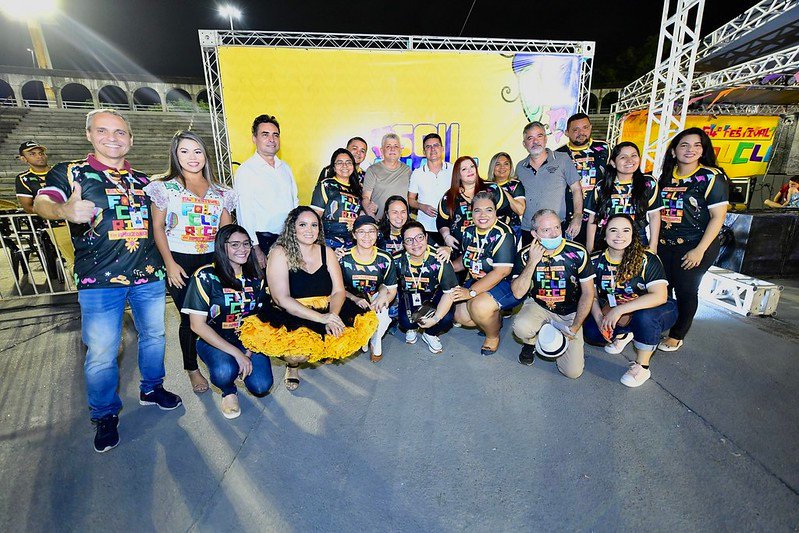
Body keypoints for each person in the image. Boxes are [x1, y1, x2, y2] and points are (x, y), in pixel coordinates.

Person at [34, 109, 181, 453]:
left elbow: (160, 220)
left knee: (154, 336)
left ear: (131, 139)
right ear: (89, 134)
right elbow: (43, 202)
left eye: (120, 132)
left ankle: (152, 388)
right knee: (102, 351)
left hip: (148, 275)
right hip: (99, 280)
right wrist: (63, 211)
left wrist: (171, 221)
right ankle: (104, 414)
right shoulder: (70, 172)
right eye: (103, 131)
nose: (112, 138)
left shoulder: (146, 182)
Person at [238, 207, 378, 390]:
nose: (309, 230)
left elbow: (338, 291)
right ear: (292, 228)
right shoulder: (279, 252)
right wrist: (322, 318)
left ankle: (321, 348)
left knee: (342, 335)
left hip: (326, 306)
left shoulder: (327, 252)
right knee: (297, 354)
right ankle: (293, 365)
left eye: (314, 225)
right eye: (303, 225)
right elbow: (281, 299)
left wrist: (333, 316)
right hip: (292, 311)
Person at [144, 130, 236, 394]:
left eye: (197, 151)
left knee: (217, 313)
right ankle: (192, 368)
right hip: (180, 261)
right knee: (189, 318)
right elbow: (158, 228)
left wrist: (228, 266)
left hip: (212, 261)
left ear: (206, 155)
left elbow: (226, 233)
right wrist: (169, 264)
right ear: (175, 155)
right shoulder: (164, 187)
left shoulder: (222, 192)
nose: (192, 157)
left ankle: (224, 359)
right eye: (184, 151)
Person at [182, 225, 273, 418]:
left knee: (261, 385)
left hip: (248, 340)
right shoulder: (205, 276)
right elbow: (197, 325)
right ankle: (228, 391)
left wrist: (248, 352)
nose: (243, 249)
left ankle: (239, 367)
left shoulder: (256, 277)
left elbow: (261, 319)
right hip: (214, 340)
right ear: (222, 247)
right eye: (235, 244)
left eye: (246, 244)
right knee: (224, 372)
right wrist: (238, 355)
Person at [657, 127, 729, 352]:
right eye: (684, 145)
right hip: (665, 244)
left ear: (703, 150)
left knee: (686, 290)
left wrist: (699, 250)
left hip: (695, 245)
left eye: (697, 145)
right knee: (661, 288)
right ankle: (660, 325)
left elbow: (718, 218)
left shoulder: (711, 177)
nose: (690, 150)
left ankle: (677, 334)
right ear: (673, 151)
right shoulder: (665, 176)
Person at [583, 215, 677, 387]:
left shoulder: (647, 258)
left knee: (645, 317)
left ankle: (642, 366)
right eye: (613, 230)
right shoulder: (594, 260)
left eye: (626, 230)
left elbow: (659, 296)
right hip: (616, 307)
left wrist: (619, 310)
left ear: (633, 235)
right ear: (604, 235)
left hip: (654, 309)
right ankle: (625, 333)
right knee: (592, 331)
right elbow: (592, 296)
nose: (620, 235)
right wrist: (599, 319)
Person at [511, 209, 595, 378]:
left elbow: (588, 294)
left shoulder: (578, 252)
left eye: (557, 227)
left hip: (570, 312)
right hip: (539, 306)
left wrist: (575, 326)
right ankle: (531, 342)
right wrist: (532, 262)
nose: (554, 234)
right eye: (546, 230)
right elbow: (518, 293)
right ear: (534, 234)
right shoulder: (525, 255)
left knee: (572, 372)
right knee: (521, 327)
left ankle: (555, 338)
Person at [451, 192, 520, 355]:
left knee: (478, 307)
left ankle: (492, 336)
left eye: (488, 210)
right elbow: (465, 260)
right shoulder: (468, 231)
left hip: (506, 283)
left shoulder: (503, 233)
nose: (483, 215)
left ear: (495, 212)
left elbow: (502, 272)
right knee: (460, 316)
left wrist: (471, 292)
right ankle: (495, 318)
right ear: (471, 212)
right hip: (479, 279)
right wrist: (444, 267)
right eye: (477, 210)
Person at [234, 114, 299, 266]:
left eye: (275, 135)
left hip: (288, 239)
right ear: (254, 138)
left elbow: (295, 202)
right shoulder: (246, 170)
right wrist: (254, 247)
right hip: (262, 241)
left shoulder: (285, 168)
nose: (272, 139)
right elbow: (244, 211)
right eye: (265, 134)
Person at [339, 216, 398, 362]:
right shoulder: (343, 257)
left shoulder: (385, 258)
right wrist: (355, 299)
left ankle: (375, 342)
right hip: (350, 298)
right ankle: (362, 336)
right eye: (361, 231)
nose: (367, 236)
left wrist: (383, 296)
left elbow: (391, 289)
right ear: (354, 234)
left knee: (383, 315)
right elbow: (335, 289)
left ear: (377, 234)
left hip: (374, 296)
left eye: (371, 231)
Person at [585, 142, 661, 253]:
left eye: (634, 155)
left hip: (637, 237)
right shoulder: (602, 186)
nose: (629, 160)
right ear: (613, 163)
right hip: (609, 237)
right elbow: (593, 219)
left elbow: (654, 215)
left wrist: (653, 245)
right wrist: (589, 248)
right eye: (623, 157)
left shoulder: (649, 183)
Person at [394, 221, 457, 353]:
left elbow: (450, 293)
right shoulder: (396, 260)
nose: (415, 243)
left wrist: (435, 319)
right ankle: (412, 328)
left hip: (434, 294)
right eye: (409, 240)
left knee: (446, 318)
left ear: (426, 237)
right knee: (406, 321)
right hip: (410, 294)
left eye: (419, 237)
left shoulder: (440, 258)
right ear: (403, 244)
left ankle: (430, 334)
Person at [516, 121, 583, 246]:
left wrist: (578, 216)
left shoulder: (562, 159)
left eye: (539, 136)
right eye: (530, 138)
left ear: (546, 139)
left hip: (555, 229)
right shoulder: (520, 167)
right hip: (529, 230)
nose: (535, 141)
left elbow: (576, 189)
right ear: (524, 144)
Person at [556, 113, 609, 244]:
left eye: (585, 128)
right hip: (570, 217)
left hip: (598, 215)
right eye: (575, 130)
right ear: (567, 132)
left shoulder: (603, 148)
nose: (581, 133)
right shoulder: (558, 154)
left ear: (590, 127)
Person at [437, 155, 505, 252]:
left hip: (490, 248)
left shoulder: (492, 189)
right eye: (464, 169)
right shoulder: (450, 196)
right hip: (458, 250)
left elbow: (505, 214)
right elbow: (441, 221)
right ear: (458, 174)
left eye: (472, 166)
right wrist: (446, 236)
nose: (470, 171)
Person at [311, 148, 363, 249]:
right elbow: (315, 216)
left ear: (353, 166)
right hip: (329, 242)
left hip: (353, 243)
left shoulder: (358, 189)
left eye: (348, 162)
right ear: (334, 167)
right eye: (339, 163)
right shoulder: (326, 185)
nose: (344, 166)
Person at [408, 133, 453, 245]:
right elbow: (411, 200)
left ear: (442, 149)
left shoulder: (453, 169)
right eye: (428, 147)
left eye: (436, 145)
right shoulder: (417, 173)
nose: (432, 149)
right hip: (426, 227)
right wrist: (422, 206)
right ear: (424, 152)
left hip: (450, 227)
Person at [362, 133, 411, 219]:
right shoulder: (372, 170)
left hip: (401, 222)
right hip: (380, 221)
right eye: (388, 146)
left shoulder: (407, 170)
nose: (392, 149)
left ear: (400, 150)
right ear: (382, 150)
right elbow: (366, 197)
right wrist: (372, 218)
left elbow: (412, 197)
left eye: (396, 146)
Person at [487, 151, 526, 241]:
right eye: (498, 164)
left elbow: (520, 210)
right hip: (489, 230)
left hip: (511, 231)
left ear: (510, 167)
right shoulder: (486, 186)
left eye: (506, 164)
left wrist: (501, 191)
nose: (502, 167)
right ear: (492, 167)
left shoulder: (516, 185)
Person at [15, 141, 50, 214]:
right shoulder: (23, 178)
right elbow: (28, 208)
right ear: (23, 159)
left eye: (41, 153)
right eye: (32, 154)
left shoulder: (62, 171)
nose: (39, 156)